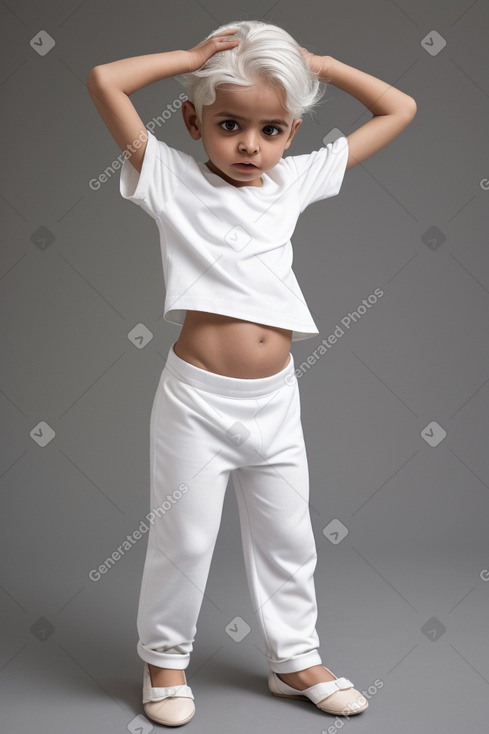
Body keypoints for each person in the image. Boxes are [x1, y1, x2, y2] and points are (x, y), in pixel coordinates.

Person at [87, 19, 416, 727]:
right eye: (230, 124)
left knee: (289, 536)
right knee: (186, 538)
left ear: (292, 133)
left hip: (275, 401)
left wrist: (321, 61)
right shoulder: (166, 175)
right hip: (196, 404)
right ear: (192, 120)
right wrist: (189, 57)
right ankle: (164, 661)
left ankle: (294, 660)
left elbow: (399, 109)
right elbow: (104, 81)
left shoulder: (289, 182)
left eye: (271, 130)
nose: (249, 145)